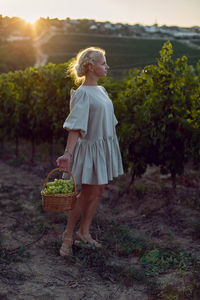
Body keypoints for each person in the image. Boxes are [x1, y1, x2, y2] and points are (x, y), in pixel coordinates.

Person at [56, 46, 124, 257]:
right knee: (85, 194)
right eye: (103, 63)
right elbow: (75, 127)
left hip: (103, 147)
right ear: (90, 67)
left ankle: (83, 232)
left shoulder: (101, 90)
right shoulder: (83, 94)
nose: (107, 66)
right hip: (90, 151)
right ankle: (68, 235)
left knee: (98, 190)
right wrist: (68, 154)